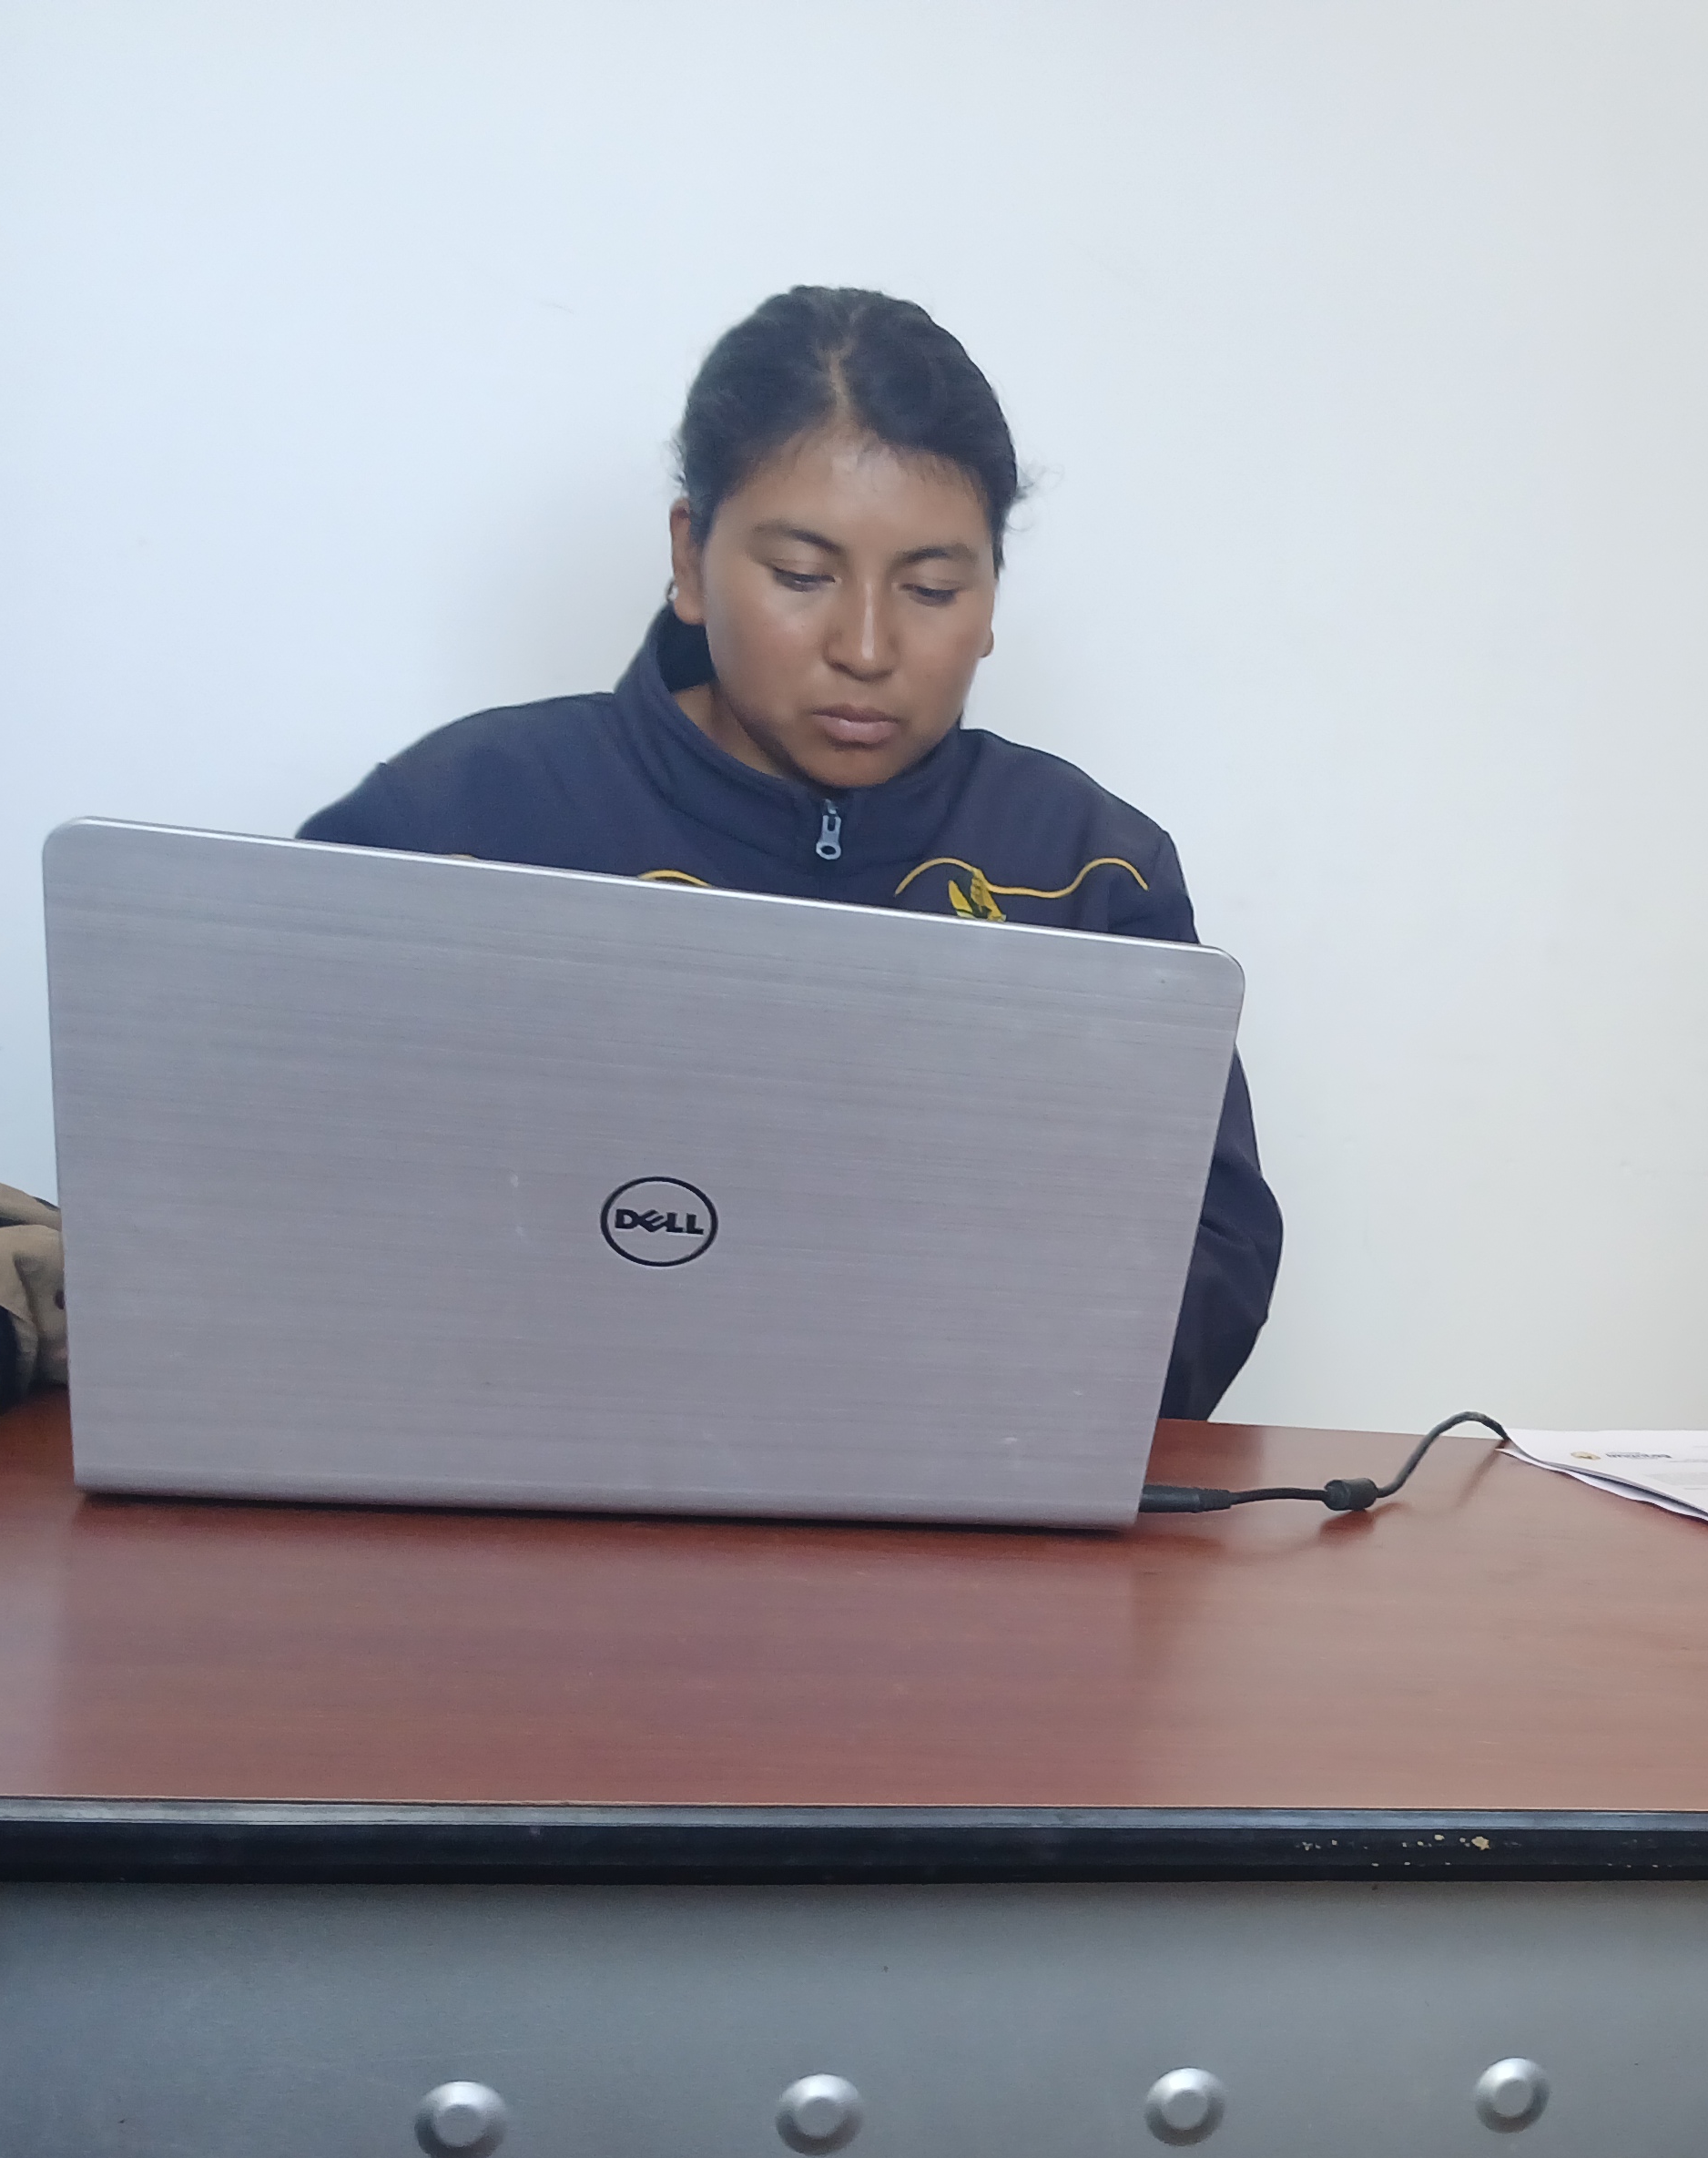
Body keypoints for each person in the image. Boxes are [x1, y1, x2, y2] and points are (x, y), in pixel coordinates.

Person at [302, 287, 1281, 1420]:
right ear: (690, 555)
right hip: (500, 1470)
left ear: (991, 595)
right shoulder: (459, 819)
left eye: (932, 588)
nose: (865, 647)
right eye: (804, 576)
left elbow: (1210, 1265)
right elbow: (258, 1190)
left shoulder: (1088, 870)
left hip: (951, 1489)